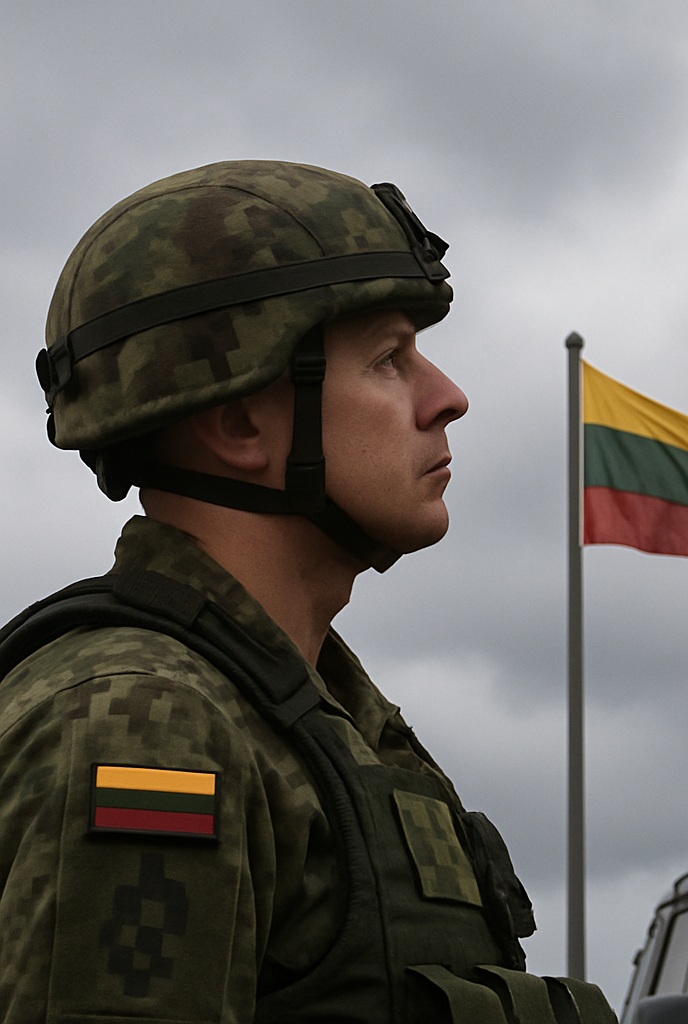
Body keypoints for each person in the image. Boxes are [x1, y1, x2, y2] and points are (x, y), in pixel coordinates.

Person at [0, 161, 616, 1023]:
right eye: (389, 360)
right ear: (240, 423)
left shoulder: (313, 714)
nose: (448, 399)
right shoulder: (147, 722)